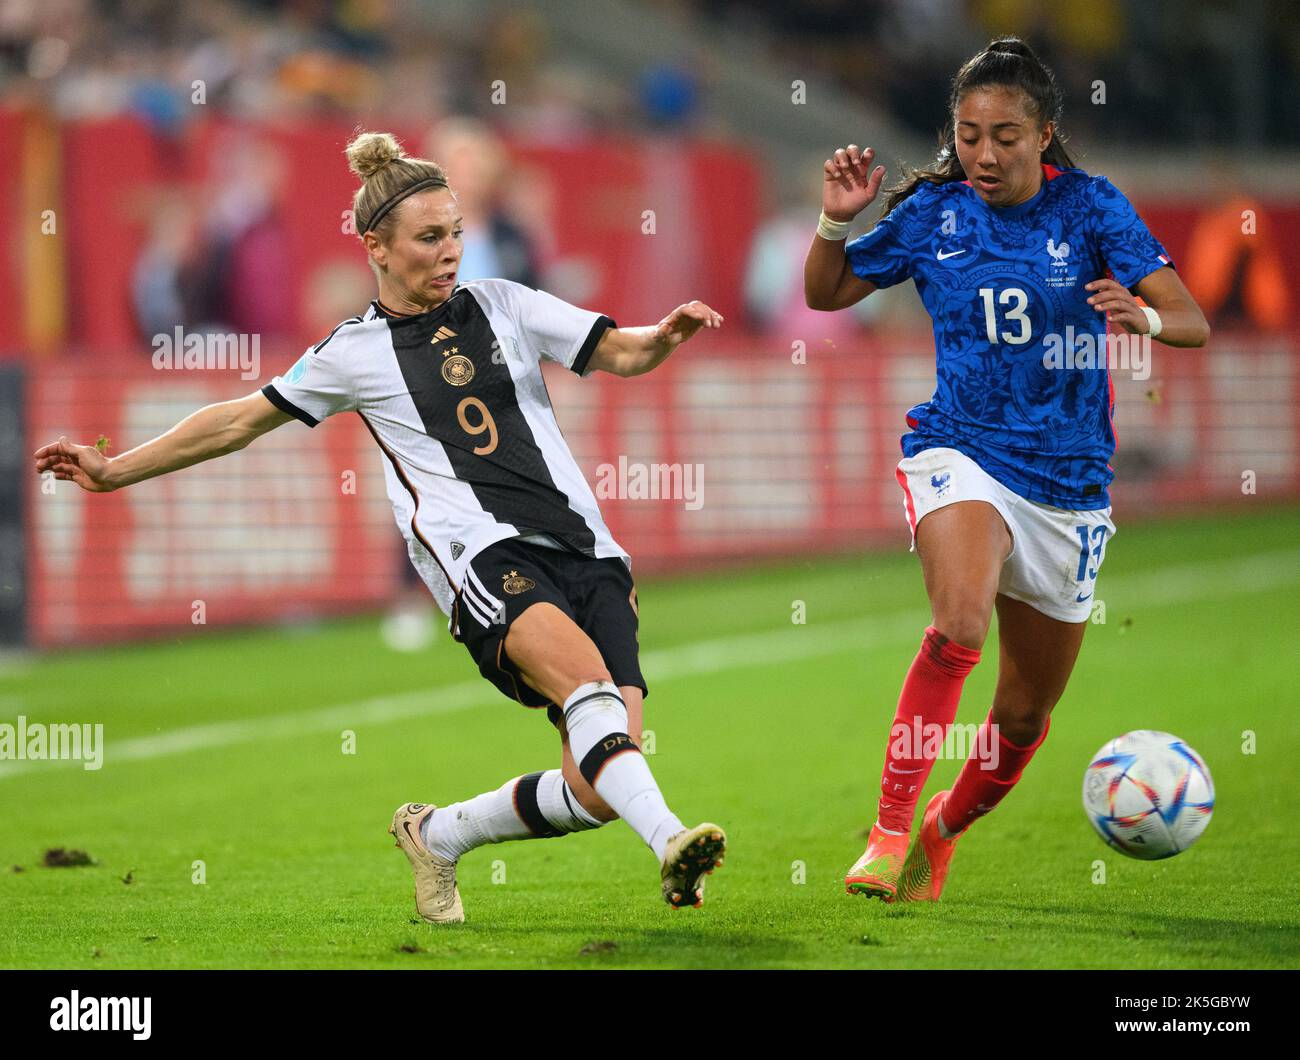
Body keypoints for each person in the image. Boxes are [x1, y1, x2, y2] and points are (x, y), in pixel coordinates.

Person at [34, 131, 727, 922]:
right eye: (430, 238)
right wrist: (116, 469)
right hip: (484, 557)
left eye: (457, 231)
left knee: (600, 784)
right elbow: (235, 423)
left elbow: (621, 352)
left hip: (589, 550)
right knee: (591, 693)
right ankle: (672, 840)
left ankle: (439, 833)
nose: (451, 251)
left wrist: (662, 338)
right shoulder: (353, 354)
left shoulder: (505, 304)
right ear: (378, 249)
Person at [804, 38, 1209, 902]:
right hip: (961, 449)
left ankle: (942, 830)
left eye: (1005, 136)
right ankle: (885, 834)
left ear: (1044, 134)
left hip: (1068, 485)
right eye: (967, 135)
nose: (983, 154)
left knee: (1023, 716)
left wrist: (1142, 315)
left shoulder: (1093, 210)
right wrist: (836, 220)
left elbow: (1192, 320)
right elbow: (828, 293)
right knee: (958, 627)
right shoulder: (935, 215)